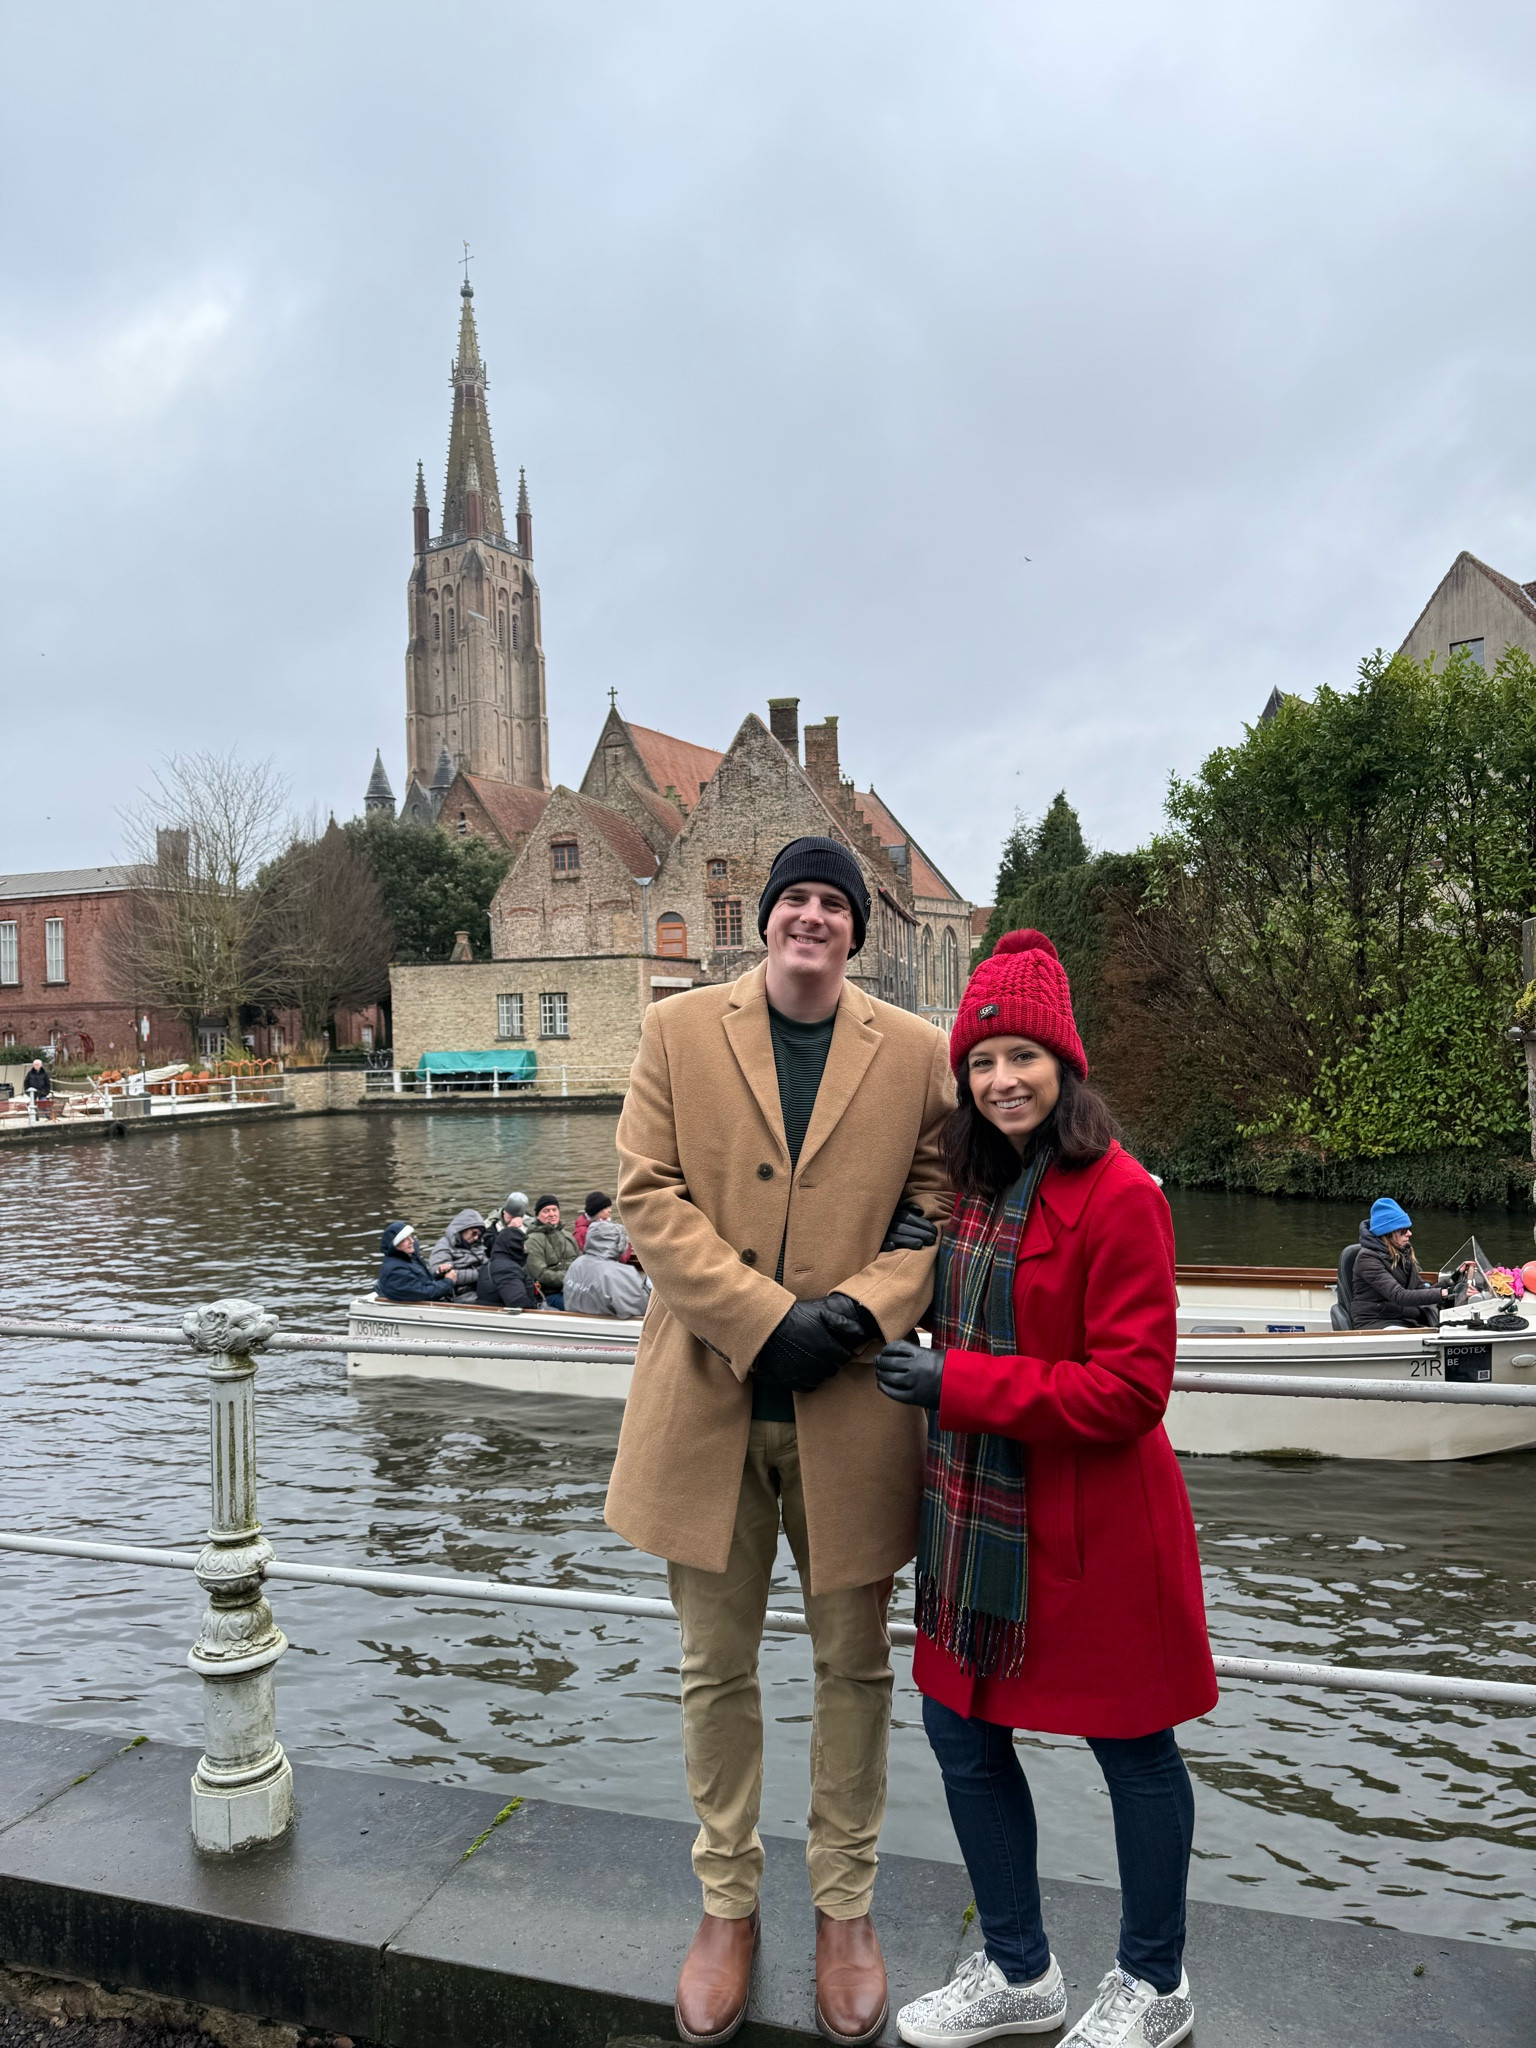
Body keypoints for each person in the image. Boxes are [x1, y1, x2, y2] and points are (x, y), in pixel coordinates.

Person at [605, 834, 953, 2048]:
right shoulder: (679, 1029)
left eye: (832, 903)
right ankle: (727, 1903)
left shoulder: (916, 1052)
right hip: (705, 1400)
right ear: (767, 920)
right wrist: (766, 1321)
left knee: (855, 1669)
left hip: (850, 1411)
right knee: (715, 1667)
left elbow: (938, 1202)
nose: (812, 918)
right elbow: (645, 1194)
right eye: (795, 899)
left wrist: (855, 1313)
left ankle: (845, 1908)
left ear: (858, 929)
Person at [875, 931, 1216, 2048]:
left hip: (1095, 1529)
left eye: (1023, 1054)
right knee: (960, 1732)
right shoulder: (972, 1186)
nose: (1001, 1078)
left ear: (1065, 1064)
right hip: (983, 1524)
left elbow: (1131, 1390)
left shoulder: (1121, 1195)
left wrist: (956, 1380)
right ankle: (1022, 1968)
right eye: (982, 1059)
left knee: (1134, 1750)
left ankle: (1154, 1982)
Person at [1351, 1200, 1450, 1331]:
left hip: (1401, 1316)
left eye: (1409, 1229)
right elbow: (1399, 1296)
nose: (1410, 1233)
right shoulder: (1367, 1258)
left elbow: (1418, 1288)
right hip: (1375, 1321)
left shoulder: (1402, 1253)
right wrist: (1444, 1293)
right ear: (1388, 1233)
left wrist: (1451, 1282)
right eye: (1403, 1230)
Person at [564, 1216, 651, 1317]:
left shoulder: (577, 1263)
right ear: (620, 1243)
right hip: (608, 1328)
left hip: (578, 1322)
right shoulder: (619, 1274)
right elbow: (644, 1309)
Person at [477, 1195, 537, 1311]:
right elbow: (518, 1302)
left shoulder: (531, 1225)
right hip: (503, 1272)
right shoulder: (491, 1226)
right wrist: (510, 1230)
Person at [375, 1222, 454, 1304]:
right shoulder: (396, 1270)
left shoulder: (408, 1259)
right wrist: (448, 1282)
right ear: (394, 1246)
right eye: (404, 1239)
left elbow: (419, 1283)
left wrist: (439, 1275)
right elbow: (423, 1294)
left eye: (410, 1236)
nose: (411, 1241)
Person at [525, 1195, 580, 1309]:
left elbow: (581, 1262)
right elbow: (540, 1275)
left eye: (554, 1210)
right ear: (538, 1215)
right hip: (549, 1294)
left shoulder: (567, 1236)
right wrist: (570, 1278)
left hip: (575, 1288)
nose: (551, 1214)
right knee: (582, 1306)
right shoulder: (532, 1240)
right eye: (546, 1211)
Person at [427, 1209, 489, 1297]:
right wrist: (480, 1273)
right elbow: (445, 1275)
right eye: (474, 1233)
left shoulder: (476, 1246)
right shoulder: (443, 1246)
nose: (476, 1238)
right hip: (457, 1294)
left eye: (479, 1235)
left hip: (479, 1287)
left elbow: (487, 1265)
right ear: (462, 1229)